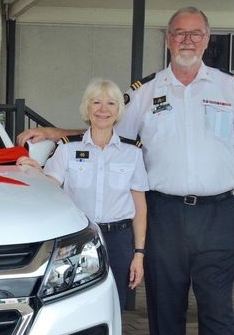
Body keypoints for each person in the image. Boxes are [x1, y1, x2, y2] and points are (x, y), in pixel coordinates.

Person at [17, 7, 234, 335]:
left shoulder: (230, 91)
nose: (187, 40)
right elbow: (106, 130)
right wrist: (59, 133)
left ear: (207, 39)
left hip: (218, 217)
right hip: (165, 215)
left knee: (218, 315)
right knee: (165, 314)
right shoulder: (148, 93)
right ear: (167, 39)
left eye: (195, 34)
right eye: (178, 34)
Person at [18, 78, 148, 310]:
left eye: (110, 103)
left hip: (118, 239)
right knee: (77, 304)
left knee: (115, 306)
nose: (103, 109)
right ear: (87, 108)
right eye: (96, 102)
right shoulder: (68, 148)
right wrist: (35, 170)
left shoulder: (132, 152)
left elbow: (140, 206)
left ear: (118, 110)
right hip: (79, 237)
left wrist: (139, 253)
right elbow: (51, 186)